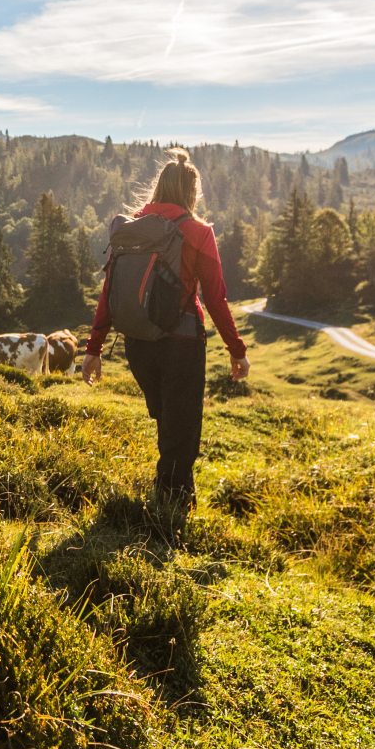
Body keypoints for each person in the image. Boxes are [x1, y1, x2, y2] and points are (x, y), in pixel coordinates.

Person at [81, 148, 249, 506]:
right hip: (182, 344)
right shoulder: (198, 232)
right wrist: (237, 351)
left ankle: (177, 496)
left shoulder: (130, 228)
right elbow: (216, 299)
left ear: (158, 188)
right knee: (182, 430)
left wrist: (93, 350)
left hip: (138, 343)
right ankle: (168, 509)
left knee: (169, 425)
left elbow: (109, 290)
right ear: (192, 192)